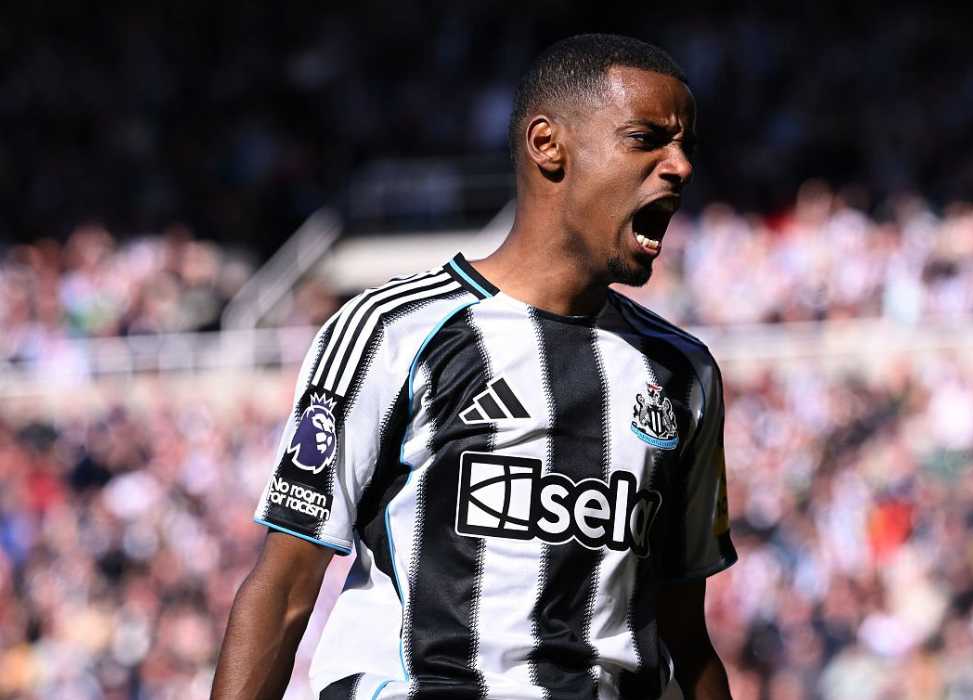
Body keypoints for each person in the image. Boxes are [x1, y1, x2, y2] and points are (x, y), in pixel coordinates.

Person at [212, 33, 736, 700]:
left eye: (686, 145)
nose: (681, 166)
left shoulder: (682, 373)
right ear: (548, 145)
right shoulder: (391, 331)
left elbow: (685, 637)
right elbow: (284, 589)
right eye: (647, 139)